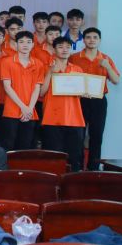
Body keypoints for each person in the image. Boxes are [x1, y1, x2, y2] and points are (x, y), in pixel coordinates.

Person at [69, 27, 120, 170]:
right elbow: (68, 79)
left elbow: (116, 80)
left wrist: (108, 67)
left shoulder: (106, 59)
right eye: (88, 37)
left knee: (97, 134)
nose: (91, 40)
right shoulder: (74, 58)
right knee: (78, 134)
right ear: (83, 40)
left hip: (99, 101)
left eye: (95, 37)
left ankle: (94, 167)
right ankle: (77, 166)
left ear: (99, 40)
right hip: (79, 100)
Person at [39, 37, 85, 171]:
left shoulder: (77, 69)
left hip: (74, 119)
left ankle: (73, 182)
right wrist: (50, 72)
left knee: (74, 157)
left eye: (67, 47)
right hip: (52, 118)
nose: (64, 50)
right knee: (53, 158)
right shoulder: (45, 67)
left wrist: (86, 92)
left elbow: (81, 92)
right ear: (54, 49)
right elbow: (41, 92)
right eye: (60, 47)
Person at [0, 31, 44, 151]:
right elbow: (7, 87)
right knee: (8, 145)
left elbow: (37, 88)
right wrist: (23, 107)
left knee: (25, 147)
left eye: (28, 42)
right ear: (16, 44)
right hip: (11, 111)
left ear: (33, 44)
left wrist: (29, 108)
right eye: (21, 42)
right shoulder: (7, 62)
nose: (25, 45)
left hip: (30, 113)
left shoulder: (38, 64)